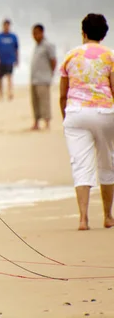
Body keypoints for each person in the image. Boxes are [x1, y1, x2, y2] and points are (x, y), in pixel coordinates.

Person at [60, 13, 114, 231]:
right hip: (104, 112)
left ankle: (83, 218)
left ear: (83, 32)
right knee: (107, 162)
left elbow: (63, 94)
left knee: (80, 165)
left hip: (76, 112)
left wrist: (66, 117)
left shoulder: (70, 56)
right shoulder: (110, 56)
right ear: (103, 34)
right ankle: (108, 216)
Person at [30, 24, 57, 130]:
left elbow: (53, 61)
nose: (34, 36)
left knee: (44, 101)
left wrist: (50, 74)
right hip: (34, 79)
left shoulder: (48, 45)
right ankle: (36, 122)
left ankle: (47, 122)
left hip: (43, 78)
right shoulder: (36, 46)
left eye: (36, 33)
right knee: (35, 102)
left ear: (41, 33)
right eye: (33, 33)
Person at [0, 19, 19, 100]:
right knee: (0, 78)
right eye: (5, 25)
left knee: (9, 76)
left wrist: (17, 59)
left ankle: (9, 93)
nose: (6, 27)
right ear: (3, 26)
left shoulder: (13, 37)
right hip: (1, 60)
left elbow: (16, 49)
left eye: (8, 25)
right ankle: (0, 93)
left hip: (10, 60)